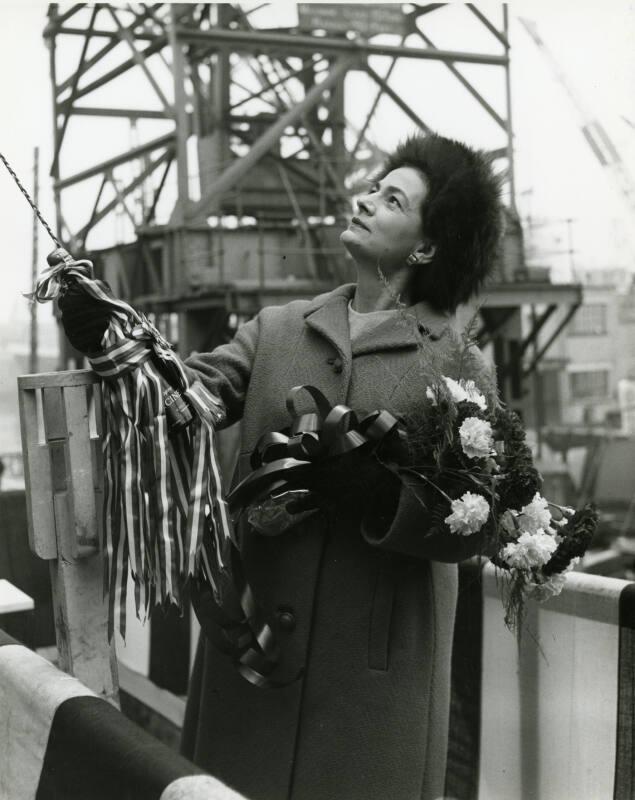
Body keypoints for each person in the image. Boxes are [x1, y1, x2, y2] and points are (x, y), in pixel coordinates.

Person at [61, 132, 503, 800]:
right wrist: (109, 340)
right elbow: (186, 400)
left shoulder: (457, 363)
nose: (363, 199)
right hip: (251, 645)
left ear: (425, 247)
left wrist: (381, 498)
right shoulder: (276, 329)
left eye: (391, 199)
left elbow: (481, 520)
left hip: (373, 691)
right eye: (372, 186)